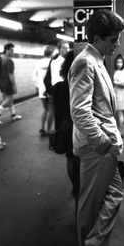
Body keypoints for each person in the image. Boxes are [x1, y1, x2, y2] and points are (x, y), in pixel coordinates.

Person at [68, 9, 124, 246]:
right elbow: (79, 110)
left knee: (114, 194)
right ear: (98, 37)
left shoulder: (97, 58)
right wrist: (103, 142)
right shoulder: (85, 62)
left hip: (106, 147)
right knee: (90, 206)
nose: (117, 43)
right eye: (113, 39)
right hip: (96, 149)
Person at [53, 50, 80, 211]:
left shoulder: (59, 87)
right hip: (83, 126)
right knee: (85, 161)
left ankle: (75, 188)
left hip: (66, 127)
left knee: (70, 159)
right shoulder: (85, 86)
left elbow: (57, 112)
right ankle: (83, 189)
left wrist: (58, 132)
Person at [0, 43, 22, 124]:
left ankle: (13, 115)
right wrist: (14, 86)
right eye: (11, 50)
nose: (12, 52)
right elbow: (11, 76)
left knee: (9, 99)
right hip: (7, 83)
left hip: (1, 82)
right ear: (7, 50)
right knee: (8, 100)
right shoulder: (9, 60)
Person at [32, 45, 54, 136]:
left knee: (45, 110)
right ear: (52, 53)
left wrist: (39, 85)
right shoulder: (53, 62)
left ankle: (42, 128)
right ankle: (49, 130)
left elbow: (34, 77)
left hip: (42, 89)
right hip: (50, 89)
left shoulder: (39, 62)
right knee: (51, 110)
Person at [113, 54, 124, 136]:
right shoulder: (116, 71)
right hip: (115, 94)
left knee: (120, 113)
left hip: (121, 95)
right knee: (116, 113)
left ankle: (121, 131)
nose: (119, 64)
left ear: (123, 63)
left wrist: (115, 82)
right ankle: (117, 130)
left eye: (120, 62)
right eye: (117, 62)